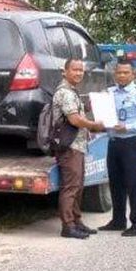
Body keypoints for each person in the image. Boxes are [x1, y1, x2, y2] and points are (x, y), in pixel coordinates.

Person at [99, 58, 136, 237]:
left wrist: (128, 127)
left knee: (133, 183)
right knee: (116, 183)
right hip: (114, 142)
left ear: (133, 74)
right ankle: (118, 220)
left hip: (131, 142)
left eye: (126, 72)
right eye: (119, 72)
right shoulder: (109, 93)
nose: (122, 75)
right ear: (114, 74)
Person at [52, 58, 105, 240]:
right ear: (65, 71)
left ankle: (76, 222)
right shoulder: (65, 92)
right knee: (71, 187)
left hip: (78, 146)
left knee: (78, 186)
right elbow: (74, 120)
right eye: (74, 70)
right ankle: (67, 226)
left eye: (81, 70)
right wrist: (93, 125)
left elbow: (77, 113)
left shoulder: (72, 91)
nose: (78, 73)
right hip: (70, 146)